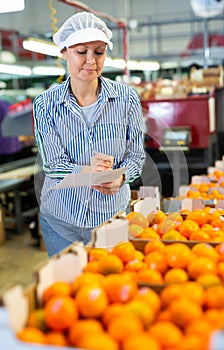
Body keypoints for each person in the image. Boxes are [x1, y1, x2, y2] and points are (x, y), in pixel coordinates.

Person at [33, 11, 146, 257]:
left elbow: (136, 156)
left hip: (112, 216)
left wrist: (122, 178)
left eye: (99, 52)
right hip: (61, 220)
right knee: (69, 288)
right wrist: (91, 175)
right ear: (63, 52)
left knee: (111, 285)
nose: (91, 61)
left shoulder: (126, 99)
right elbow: (53, 165)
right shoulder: (45, 104)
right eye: (81, 52)